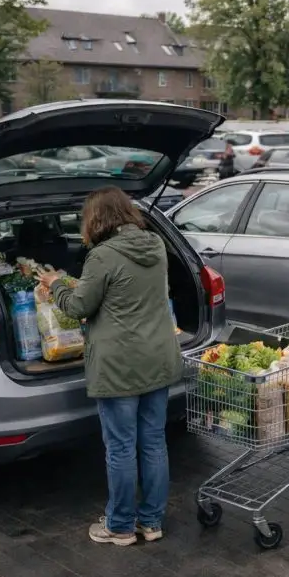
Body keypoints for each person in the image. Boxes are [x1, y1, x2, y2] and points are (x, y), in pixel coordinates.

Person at [36, 187, 182, 546]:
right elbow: (126, 293)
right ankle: (151, 522)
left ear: (96, 219)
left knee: (120, 447)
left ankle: (118, 526)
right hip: (158, 358)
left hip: (119, 365)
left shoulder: (102, 256)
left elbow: (79, 307)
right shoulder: (156, 245)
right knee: (153, 443)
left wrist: (55, 285)